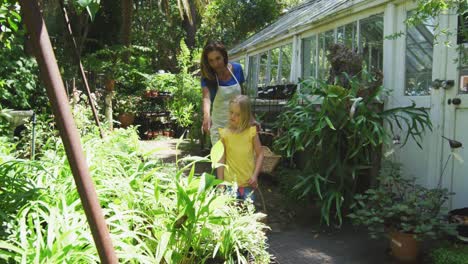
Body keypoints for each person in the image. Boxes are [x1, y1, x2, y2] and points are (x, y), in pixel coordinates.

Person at [217, 95, 264, 201]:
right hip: (229, 184)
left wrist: (255, 175)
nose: (232, 116)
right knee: (230, 212)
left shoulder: (252, 133)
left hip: (248, 183)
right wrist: (220, 183)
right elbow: (221, 159)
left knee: (247, 213)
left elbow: (260, 154)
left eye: (237, 114)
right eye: (231, 112)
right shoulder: (224, 134)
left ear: (246, 116)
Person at [200, 41, 245, 144]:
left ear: (224, 56)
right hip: (219, 127)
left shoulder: (237, 69)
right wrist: (206, 117)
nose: (215, 64)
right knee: (220, 159)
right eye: (211, 61)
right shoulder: (208, 76)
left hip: (239, 125)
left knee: (237, 159)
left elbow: (243, 96)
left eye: (218, 58)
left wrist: (250, 117)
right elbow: (206, 98)